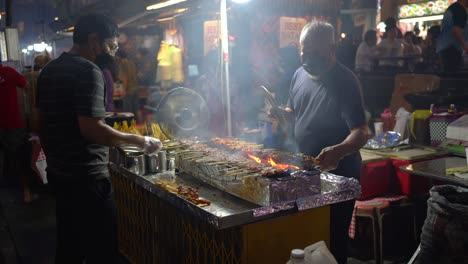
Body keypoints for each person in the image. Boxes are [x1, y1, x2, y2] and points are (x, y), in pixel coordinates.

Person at [36, 14, 162, 263]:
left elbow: (42, 123)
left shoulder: (48, 70)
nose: (114, 54)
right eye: (111, 46)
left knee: (69, 247)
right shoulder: (89, 71)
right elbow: (92, 129)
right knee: (103, 251)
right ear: (94, 41)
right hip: (88, 180)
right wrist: (141, 142)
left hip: (60, 175)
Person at [284, 21, 368, 264]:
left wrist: (338, 150)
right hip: (307, 172)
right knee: (307, 237)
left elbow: (361, 132)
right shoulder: (299, 74)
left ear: (331, 49)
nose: (307, 58)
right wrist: (283, 113)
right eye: (304, 51)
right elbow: (294, 109)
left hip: (339, 176)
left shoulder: (345, 81)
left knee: (332, 240)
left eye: (315, 53)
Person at [0, 63, 32, 203]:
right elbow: (26, 85)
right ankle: (26, 193)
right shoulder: (8, 72)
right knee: (20, 157)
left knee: (7, 157)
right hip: (12, 123)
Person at [437, 0, 468, 72]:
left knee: (449, 75)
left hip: (446, 48)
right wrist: (465, 47)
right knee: (454, 76)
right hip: (452, 48)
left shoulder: (453, 8)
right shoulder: (459, 9)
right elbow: (456, 30)